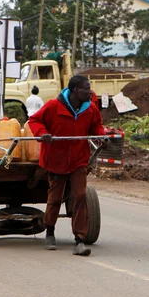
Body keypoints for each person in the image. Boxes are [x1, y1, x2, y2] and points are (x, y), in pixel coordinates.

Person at [28, 75, 105, 256]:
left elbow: (96, 126)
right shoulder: (53, 106)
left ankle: (79, 240)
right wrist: (43, 133)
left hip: (78, 159)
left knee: (80, 196)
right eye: (87, 89)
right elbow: (34, 121)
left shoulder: (91, 108)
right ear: (76, 91)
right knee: (55, 198)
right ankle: (50, 232)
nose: (90, 92)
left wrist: (100, 136)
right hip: (55, 159)